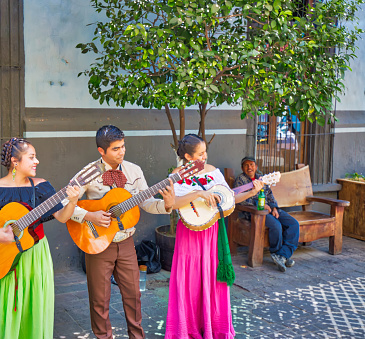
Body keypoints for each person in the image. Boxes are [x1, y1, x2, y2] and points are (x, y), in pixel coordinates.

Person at [0, 138, 80, 339]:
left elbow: (63, 217)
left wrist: (73, 200)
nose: (37, 161)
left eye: (36, 157)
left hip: (35, 256)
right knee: (8, 306)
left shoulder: (41, 187)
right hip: (3, 259)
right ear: (15, 161)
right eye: (31, 157)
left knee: (34, 304)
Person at [69, 125, 175, 339]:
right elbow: (65, 202)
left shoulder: (134, 171)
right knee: (99, 299)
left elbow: (146, 202)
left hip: (126, 241)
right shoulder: (88, 172)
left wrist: (167, 205)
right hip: (97, 242)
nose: (122, 152)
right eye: (116, 148)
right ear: (102, 151)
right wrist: (90, 216)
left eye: (123, 146)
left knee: (133, 295)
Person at [165, 134, 263, 339]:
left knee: (211, 278)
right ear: (187, 156)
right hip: (189, 233)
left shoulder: (212, 172)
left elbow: (231, 199)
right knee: (190, 280)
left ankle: (214, 328)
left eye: (205, 152)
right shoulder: (176, 175)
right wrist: (199, 194)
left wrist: (252, 192)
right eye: (200, 154)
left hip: (212, 233)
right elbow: (172, 204)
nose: (205, 156)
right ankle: (187, 330)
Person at [234, 156, 300, 272]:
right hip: (253, 212)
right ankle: (276, 253)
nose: (249, 167)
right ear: (242, 168)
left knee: (294, 224)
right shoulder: (240, 180)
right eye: (246, 165)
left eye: (252, 164)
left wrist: (274, 207)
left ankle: (283, 255)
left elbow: (270, 195)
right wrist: (258, 204)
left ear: (256, 166)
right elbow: (240, 199)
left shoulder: (262, 178)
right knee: (276, 225)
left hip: (269, 209)